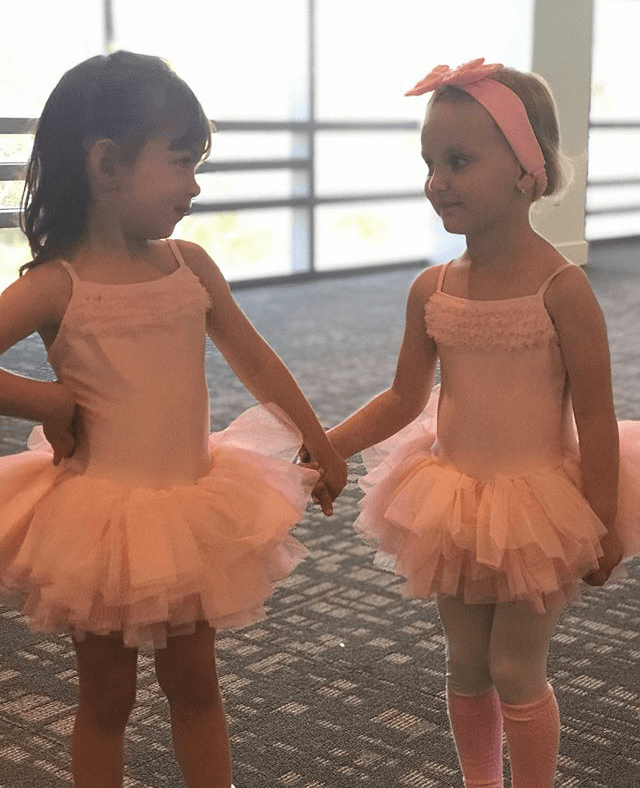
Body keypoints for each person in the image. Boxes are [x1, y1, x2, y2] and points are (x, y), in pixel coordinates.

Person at [0, 50, 346, 788]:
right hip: (99, 525)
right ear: (107, 162)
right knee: (107, 700)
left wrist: (318, 442)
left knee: (196, 688)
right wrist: (48, 401)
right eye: (183, 163)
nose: (193, 187)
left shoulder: (190, 264)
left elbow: (255, 360)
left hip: (190, 511)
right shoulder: (56, 285)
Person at [321, 59, 640, 788]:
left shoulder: (564, 288)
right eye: (430, 162)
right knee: (466, 664)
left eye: (459, 161)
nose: (438, 179)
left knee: (514, 665)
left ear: (528, 172)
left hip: (541, 508)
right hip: (454, 501)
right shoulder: (431, 288)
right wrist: (329, 445)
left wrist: (602, 521)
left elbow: (593, 414)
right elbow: (406, 398)